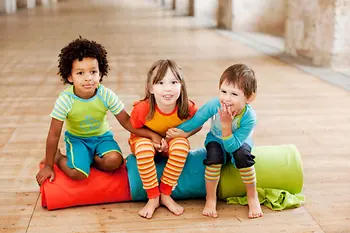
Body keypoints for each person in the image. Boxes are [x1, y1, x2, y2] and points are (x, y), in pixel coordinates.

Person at [36, 37, 161, 186]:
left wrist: (151, 134)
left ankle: (90, 159)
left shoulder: (106, 95)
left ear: (100, 74)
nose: (88, 78)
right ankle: (59, 158)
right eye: (80, 73)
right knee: (78, 174)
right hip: (77, 140)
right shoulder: (65, 100)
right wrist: (49, 165)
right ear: (70, 77)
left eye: (93, 72)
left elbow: (127, 122)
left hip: (102, 138)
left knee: (116, 161)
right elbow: (54, 133)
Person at [168, 64, 263, 219]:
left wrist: (226, 125)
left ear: (249, 98)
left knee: (243, 157)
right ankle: (210, 198)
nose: (226, 98)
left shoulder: (249, 117)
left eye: (234, 94)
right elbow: (197, 119)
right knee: (213, 158)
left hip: (238, 142)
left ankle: (252, 197)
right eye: (223, 91)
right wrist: (180, 131)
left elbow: (231, 146)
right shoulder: (215, 105)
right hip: (216, 139)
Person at [129, 59, 200, 219]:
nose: (168, 88)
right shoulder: (142, 108)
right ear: (150, 88)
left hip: (170, 143)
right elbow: (134, 127)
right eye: (160, 82)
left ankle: (166, 194)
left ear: (181, 86)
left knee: (182, 145)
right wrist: (153, 138)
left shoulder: (187, 107)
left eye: (174, 82)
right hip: (145, 140)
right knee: (144, 148)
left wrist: (183, 134)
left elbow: (198, 124)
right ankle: (153, 197)